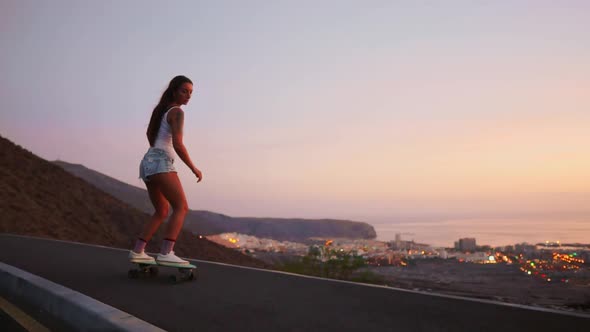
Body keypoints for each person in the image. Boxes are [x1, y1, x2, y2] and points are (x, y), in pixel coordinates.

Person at [129, 75, 203, 265]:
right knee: (181, 207)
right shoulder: (177, 112)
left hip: (147, 162)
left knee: (162, 210)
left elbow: (149, 134)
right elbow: (178, 144)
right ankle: (166, 253)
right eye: (184, 91)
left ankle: (137, 250)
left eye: (191, 92)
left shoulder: (160, 110)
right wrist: (194, 168)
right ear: (174, 91)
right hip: (160, 162)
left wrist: (156, 152)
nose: (188, 96)